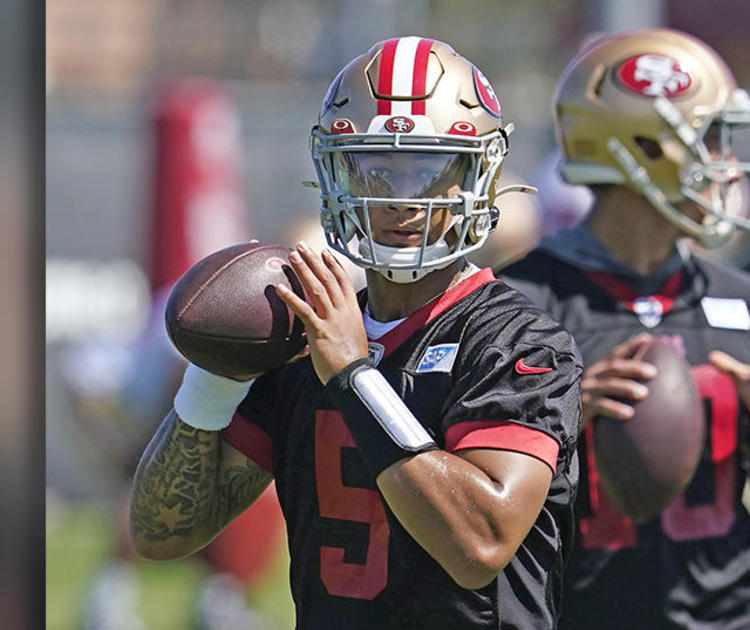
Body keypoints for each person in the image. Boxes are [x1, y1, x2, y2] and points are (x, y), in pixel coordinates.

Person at [129, 37, 583, 629]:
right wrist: (215, 374)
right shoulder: (301, 336)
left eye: (428, 167)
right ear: (334, 171)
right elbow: (162, 532)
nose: (400, 198)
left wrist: (353, 375)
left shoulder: (520, 341)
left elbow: (479, 545)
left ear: (476, 177)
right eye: (375, 166)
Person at [500, 28, 750, 629]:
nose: (726, 165)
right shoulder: (521, 305)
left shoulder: (744, 301)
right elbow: (477, 513)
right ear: (641, 147)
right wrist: (558, 416)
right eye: (710, 139)